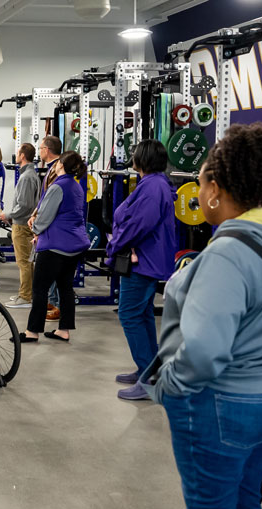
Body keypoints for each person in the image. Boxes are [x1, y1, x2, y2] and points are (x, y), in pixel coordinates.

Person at [141, 124, 262, 509]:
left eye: (198, 184)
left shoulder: (228, 253)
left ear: (215, 188)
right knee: (245, 506)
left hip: (227, 403)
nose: (197, 195)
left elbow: (203, 352)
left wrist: (170, 387)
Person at [106, 139, 177, 401]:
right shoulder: (154, 183)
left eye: (135, 154)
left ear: (141, 159)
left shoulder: (153, 186)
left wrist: (116, 244)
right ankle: (146, 369)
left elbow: (139, 224)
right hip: (147, 257)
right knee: (143, 314)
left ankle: (149, 379)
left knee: (129, 314)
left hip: (143, 260)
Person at [20, 152, 90, 343]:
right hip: (74, 245)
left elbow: (45, 216)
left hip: (54, 246)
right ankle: (64, 330)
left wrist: (34, 226)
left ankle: (32, 332)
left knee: (40, 288)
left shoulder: (57, 187)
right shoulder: (76, 186)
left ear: (60, 165)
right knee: (65, 287)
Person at [1, 143, 41, 308]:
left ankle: (25, 297)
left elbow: (24, 205)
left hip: (22, 225)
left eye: (18, 152)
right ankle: (27, 293)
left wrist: (8, 215)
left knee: (23, 262)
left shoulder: (26, 177)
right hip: (26, 224)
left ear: (23, 156)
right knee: (27, 262)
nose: (16, 155)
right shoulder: (31, 174)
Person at [38, 136, 63, 321]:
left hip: (55, 229)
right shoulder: (50, 170)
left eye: (40, 148)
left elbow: (51, 201)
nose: (39, 152)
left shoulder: (56, 170)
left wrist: (39, 226)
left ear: (47, 149)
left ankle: (56, 303)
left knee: (54, 270)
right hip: (48, 226)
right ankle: (52, 300)